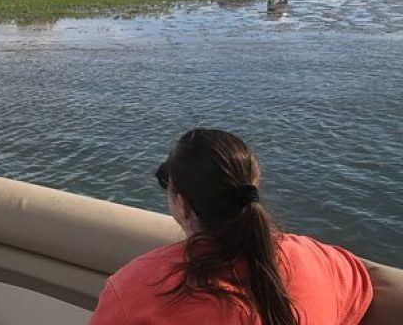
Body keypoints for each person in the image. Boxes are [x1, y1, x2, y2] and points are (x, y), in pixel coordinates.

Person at [89, 128, 373, 325]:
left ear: (183, 206)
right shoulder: (321, 262)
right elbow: (360, 287)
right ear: (254, 185)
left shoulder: (136, 289)